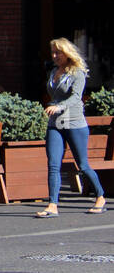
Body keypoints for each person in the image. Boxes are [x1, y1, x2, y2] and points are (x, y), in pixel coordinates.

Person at [36, 38, 105, 219]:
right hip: (56, 124)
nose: (54, 56)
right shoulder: (53, 71)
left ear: (67, 53)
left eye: (58, 52)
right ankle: (52, 205)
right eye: (53, 52)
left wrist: (59, 107)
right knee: (53, 164)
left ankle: (100, 196)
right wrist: (54, 107)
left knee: (82, 165)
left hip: (74, 123)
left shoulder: (77, 73)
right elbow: (54, 94)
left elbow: (76, 97)